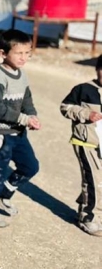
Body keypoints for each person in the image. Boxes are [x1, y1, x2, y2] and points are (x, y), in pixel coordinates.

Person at [0, 29, 41, 228]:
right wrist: (23, 119)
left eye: (27, 53)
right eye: (18, 53)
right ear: (3, 53)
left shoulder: (22, 75)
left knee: (30, 166)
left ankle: (5, 193)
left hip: (18, 132)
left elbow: (27, 100)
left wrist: (32, 116)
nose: (24, 58)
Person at [60, 55, 102, 237]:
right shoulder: (84, 89)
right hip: (85, 142)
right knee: (93, 181)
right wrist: (85, 114)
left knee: (97, 183)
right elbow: (65, 107)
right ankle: (88, 217)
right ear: (97, 69)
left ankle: (85, 203)